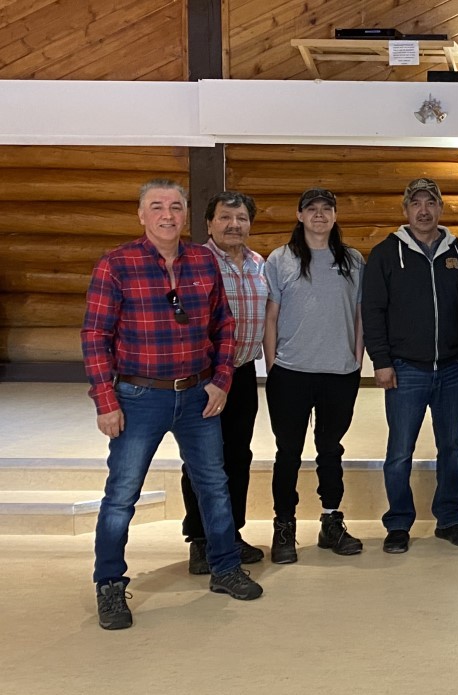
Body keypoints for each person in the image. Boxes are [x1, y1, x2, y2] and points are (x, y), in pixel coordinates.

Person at [82, 179, 263, 630]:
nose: (168, 215)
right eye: (157, 207)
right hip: (139, 396)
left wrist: (222, 381)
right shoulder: (117, 264)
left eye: (176, 207)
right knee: (122, 495)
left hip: (198, 394)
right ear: (141, 215)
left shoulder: (202, 260)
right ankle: (109, 583)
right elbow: (94, 336)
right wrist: (106, 400)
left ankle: (224, 568)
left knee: (214, 485)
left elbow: (225, 324)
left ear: (186, 216)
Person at [363, 178, 458, 554]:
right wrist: (381, 362)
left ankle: (449, 518)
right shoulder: (385, 254)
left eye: (431, 203)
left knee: (452, 448)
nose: (424, 210)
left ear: (441, 208)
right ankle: (398, 523)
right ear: (406, 210)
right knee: (400, 451)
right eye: (417, 203)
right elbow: (373, 311)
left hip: (450, 368)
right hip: (405, 369)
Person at [264, 188, 366, 564]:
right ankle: (284, 524)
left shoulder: (352, 260)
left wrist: (356, 357)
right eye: (312, 209)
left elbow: (359, 314)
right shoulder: (281, 259)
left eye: (327, 209)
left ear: (335, 216)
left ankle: (330, 520)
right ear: (300, 215)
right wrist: (272, 365)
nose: (319, 215)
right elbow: (270, 316)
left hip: (339, 372)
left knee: (330, 448)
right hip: (290, 372)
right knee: (288, 451)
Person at [183, 191, 269, 575]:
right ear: (209, 223)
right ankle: (200, 540)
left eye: (242, 218)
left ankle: (230, 533)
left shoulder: (258, 263)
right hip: (205, 378)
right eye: (225, 218)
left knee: (239, 455)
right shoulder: (194, 262)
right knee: (203, 460)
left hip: (244, 373)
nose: (234, 225)